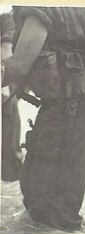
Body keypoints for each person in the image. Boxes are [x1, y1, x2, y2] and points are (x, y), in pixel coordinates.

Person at [1, 6, 85, 231]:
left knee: (46, 201)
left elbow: (19, 64)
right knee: (55, 201)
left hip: (68, 106)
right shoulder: (67, 10)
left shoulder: (40, 9)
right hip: (79, 101)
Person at [1, 11, 23, 182]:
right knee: (9, 115)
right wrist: (5, 83)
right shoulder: (8, 16)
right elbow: (6, 47)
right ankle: (10, 170)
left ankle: (10, 169)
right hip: (3, 77)